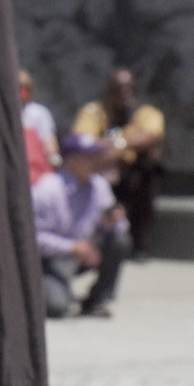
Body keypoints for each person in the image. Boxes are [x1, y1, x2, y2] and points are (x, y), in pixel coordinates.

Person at [33, 133, 130, 318]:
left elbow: (121, 228)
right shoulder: (47, 190)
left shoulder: (99, 186)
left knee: (120, 241)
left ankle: (97, 299)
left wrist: (112, 222)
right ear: (71, 160)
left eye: (95, 156)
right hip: (50, 259)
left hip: (84, 252)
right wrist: (70, 247)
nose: (94, 162)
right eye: (87, 158)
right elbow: (30, 237)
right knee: (56, 307)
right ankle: (46, 289)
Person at [72, 68, 164, 257]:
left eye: (128, 88)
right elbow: (82, 140)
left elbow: (150, 136)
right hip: (99, 170)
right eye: (118, 88)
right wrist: (111, 153)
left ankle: (140, 245)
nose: (124, 93)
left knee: (149, 173)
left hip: (132, 174)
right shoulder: (94, 111)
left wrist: (118, 146)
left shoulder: (146, 113)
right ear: (109, 90)